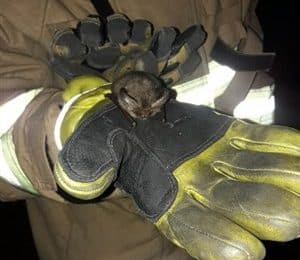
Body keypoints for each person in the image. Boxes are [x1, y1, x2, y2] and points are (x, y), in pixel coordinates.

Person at [0, 1, 299, 259]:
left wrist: (255, 91)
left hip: (229, 181)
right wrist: (68, 129)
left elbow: (243, 26)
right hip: (108, 237)